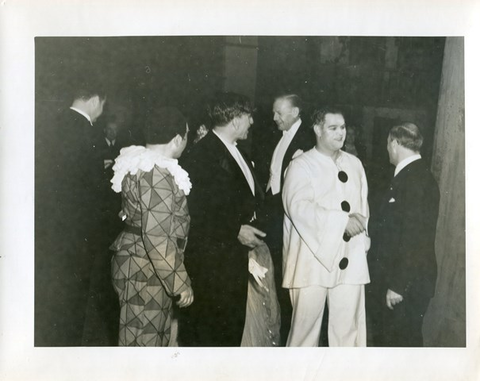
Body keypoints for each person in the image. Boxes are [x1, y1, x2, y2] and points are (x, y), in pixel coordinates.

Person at [179, 92, 279, 347]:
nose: (252, 123)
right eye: (249, 117)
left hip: (232, 261)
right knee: (210, 333)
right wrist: (234, 229)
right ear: (235, 120)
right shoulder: (202, 155)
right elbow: (196, 210)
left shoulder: (238, 152)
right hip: (213, 265)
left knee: (230, 330)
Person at [282, 106, 370, 347]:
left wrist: (360, 229)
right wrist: (342, 222)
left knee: (348, 331)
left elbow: (363, 204)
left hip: (349, 258)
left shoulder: (354, 164)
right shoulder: (301, 164)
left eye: (342, 127)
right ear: (317, 129)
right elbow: (297, 207)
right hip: (312, 260)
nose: (340, 133)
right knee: (304, 332)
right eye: (333, 128)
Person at [108, 107, 193, 346]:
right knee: (145, 343)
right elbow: (157, 236)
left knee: (137, 337)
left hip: (136, 263)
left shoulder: (138, 163)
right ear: (177, 139)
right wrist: (180, 282)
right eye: (186, 135)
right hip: (147, 269)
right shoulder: (158, 173)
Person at [35, 81, 107, 346]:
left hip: (47, 226)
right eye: (103, 104)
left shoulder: (49, 123)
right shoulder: (89, 132)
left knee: (50, 297)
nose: (101, 110)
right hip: (76, 233)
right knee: (73, 301)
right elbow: (92, 190)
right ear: (95, 100)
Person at [367, 122, 439, 347]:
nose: (387, 149)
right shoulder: (411, 176)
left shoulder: (415, 180)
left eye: (389, 144)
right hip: (401, 280)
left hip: (404, 284)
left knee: (399, 344)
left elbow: (414, 237)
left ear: (396, 143)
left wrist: (398, 284)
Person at [262, 94, 315, 344]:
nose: (274, 118)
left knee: (288, 274)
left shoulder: (308, 139)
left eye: (279, 113)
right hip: (274, 212)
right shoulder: (278, 135)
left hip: (291, 217)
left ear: (295, 112)